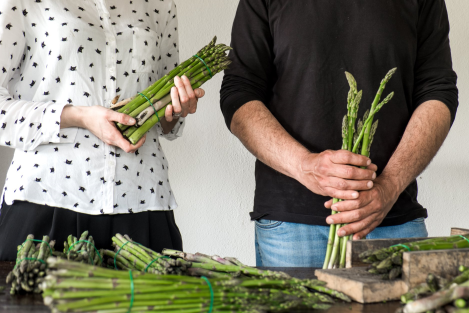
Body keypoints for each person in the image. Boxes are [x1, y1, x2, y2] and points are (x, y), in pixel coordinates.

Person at [220, 0, 458, 267]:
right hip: (290, 226)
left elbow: (438, 90)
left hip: (393, 217)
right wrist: (304, 165)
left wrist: (389, 185)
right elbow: (239, 92)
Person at [0, 0, 205, 260]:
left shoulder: (160, 5)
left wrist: (175, 109)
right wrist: (79, 116)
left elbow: (167, 122)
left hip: (142, 199)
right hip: (48, 196)